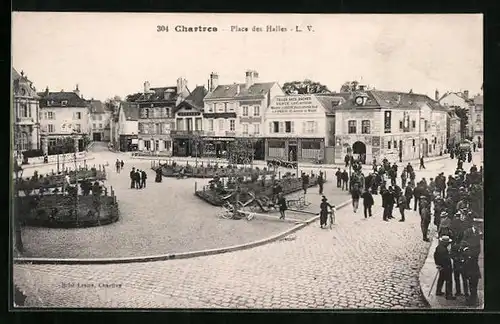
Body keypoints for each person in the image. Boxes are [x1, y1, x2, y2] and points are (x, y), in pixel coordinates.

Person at [434, 235, 456, 300]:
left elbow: (435, 256)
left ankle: (438, 291)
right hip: (446, 268)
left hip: (441, 267)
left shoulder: (438, 247)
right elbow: (446, 260)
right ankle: (449, 295)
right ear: (445, 243)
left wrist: (438, 264)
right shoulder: (444, 250)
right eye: (448, 243)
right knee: (449, 281)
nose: (448, 244)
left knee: (441, 279)